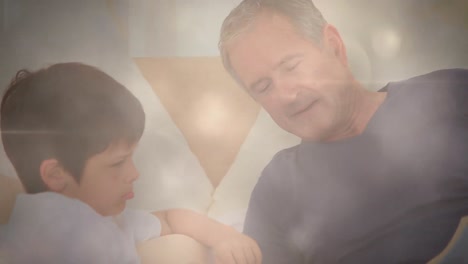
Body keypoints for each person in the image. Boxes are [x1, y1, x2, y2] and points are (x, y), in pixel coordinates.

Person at [219, 0, 468, 263]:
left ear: (334, 46)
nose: (286, 95)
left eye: (291, 66)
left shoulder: (451, 96)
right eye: (263, 86)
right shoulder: (276, 188)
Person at [0, 62, 261, 264]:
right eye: (118, 163)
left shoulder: (109, 217)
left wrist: (225, 237)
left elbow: (171, 217)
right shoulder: (46, 225)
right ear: (57, 174)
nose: (134, 173)